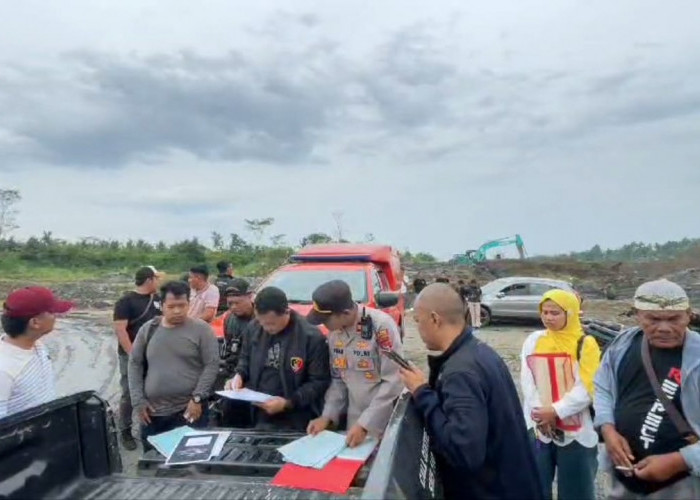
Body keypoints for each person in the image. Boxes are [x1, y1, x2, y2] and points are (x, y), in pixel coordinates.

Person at [398, 283, 542, 499]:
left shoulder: (461, 373)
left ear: (435, 319)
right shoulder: (478, 352)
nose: (417, 329)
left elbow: (463, 452)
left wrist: (422, 393)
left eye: (418, 321)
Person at [594, 279, 700, 499]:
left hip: (684, 485)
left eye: (674, 319)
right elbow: (602, 386)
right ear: (638, 315)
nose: (664, 327)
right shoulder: (623, 343)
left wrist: (680, 461)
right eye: (653, 319)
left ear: (689, 315)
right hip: (623, 482)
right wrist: (607, 428)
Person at [520, 289, 601, 500]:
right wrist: (540, 413)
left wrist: (556, 410)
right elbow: (528, 380)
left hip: (577, 430)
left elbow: (587, 387)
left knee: (577, 490)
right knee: (534, 487)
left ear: (571, 313)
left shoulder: (586, 344)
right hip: (539, 428)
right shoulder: (534, 340)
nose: (548, 317)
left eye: (555, 313)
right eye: (544, 312)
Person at [306, 280, 404, 447]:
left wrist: (366, 424)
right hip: (354, 422)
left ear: (344, 313)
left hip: (384, 421)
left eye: (326, 320)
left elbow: (394, 381)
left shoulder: (381, 327)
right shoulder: (334, 334)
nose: (324, 325)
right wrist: (327, 416)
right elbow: (338, 380)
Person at [129, 280, 219, 449]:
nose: (177, 311)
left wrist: (198, 398)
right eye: (171, 306)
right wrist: (137, 401)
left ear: (188, 304)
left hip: (190, 410)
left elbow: (212, 365)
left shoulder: (201, 330)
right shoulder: (148, 330)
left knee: (190, 464)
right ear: (161, 306)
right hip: (154, 413)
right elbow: (134, 364)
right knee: (153, 465)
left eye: (182, 305)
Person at [225, 287, 330, 431]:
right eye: (262, 323)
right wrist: (239, 375)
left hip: (295, 415)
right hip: (259, 409)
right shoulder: (254, 328)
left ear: (286, 312)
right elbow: (245, 358)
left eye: (271, 324)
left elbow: (319, 381)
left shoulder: (310, 337)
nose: (266, 328)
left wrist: (288, 402)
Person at [0, 287, 73, 419]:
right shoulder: (4, 370)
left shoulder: (37, 346)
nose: (57, 317)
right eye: (52, 312)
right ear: (35, 322)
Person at [112, 265, 162, 450]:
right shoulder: (126, 301)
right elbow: (120, 329)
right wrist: (134, 355)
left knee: (150, 392)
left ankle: (148, 428)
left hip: (153, 355)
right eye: (157, 278)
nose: (159, 281)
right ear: (149, 279)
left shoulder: (157, 299)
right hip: (131, 355)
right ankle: (125, 430)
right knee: (129, 393)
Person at [218, 279, 255, 427]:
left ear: (250, 297)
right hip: (233, 377)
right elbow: (229, 350)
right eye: (230, 303)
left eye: (237, 302)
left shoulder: (263, 319)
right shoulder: (229, 318)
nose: (233, 307)